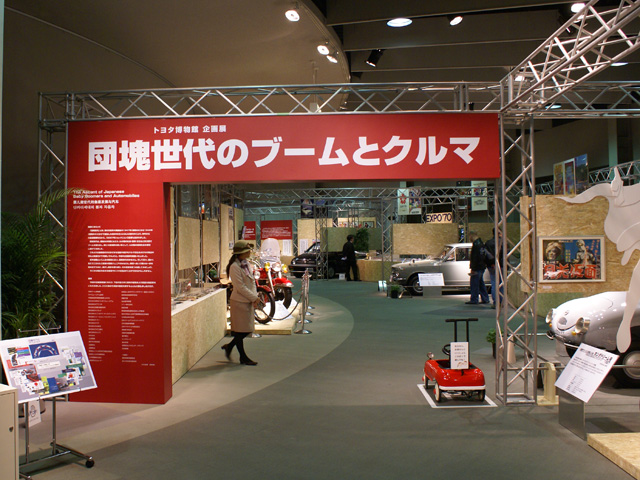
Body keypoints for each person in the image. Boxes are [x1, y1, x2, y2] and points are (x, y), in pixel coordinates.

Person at [222, 240, 260, 366]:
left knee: (246, 329)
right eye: (247, 251)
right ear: (241, 253)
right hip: (239, 302)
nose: (249, 252)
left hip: (247, 300)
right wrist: (253, 298)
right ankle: (242, 357)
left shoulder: (246, 264)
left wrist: (254, 297)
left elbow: (252, 282)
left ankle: (229, 347)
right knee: (241, 331)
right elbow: (240, 287)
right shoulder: (234, 267)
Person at [467, 231, 490, 305]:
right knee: (480, 283)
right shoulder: (481, 244)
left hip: (477, 267)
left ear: (471, 236)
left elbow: (475, 258)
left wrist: (473, 268)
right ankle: (485, 298)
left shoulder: (476, 245)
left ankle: (474, 299)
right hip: (482, 266)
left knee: (474, 283)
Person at [484, 234, 497, 308]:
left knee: (494, 283)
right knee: (501, 284)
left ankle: (496, 302)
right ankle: (501, 301)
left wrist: (491, 263)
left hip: (492, 265)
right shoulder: (503, 242)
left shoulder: (488, 243)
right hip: (502, 265)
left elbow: (487, 255)